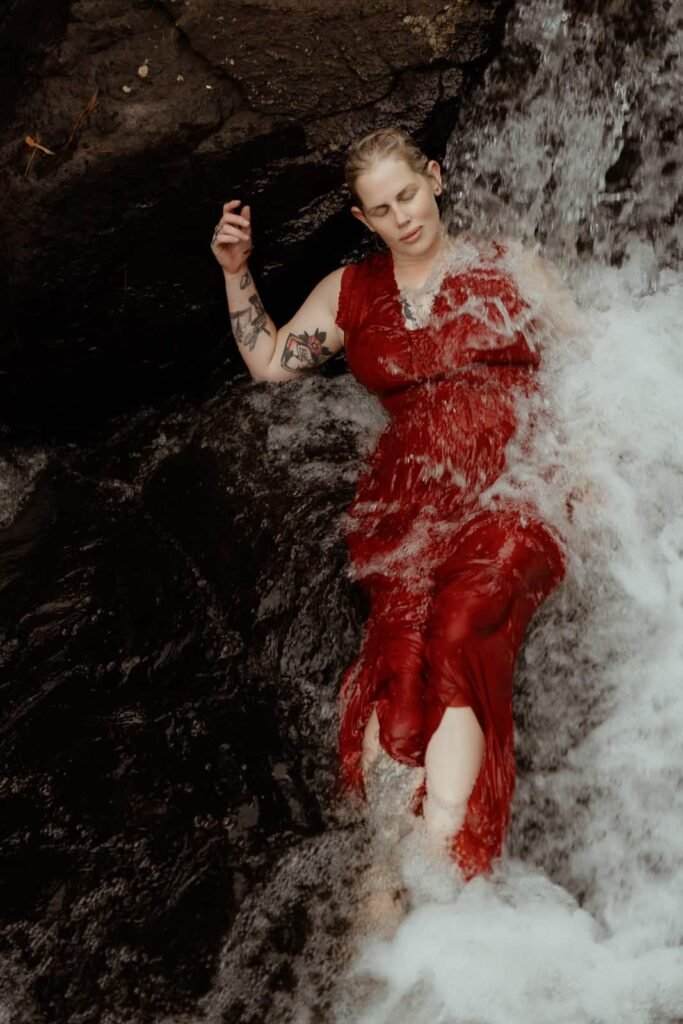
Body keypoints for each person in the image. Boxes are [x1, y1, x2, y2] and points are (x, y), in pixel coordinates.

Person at [210, 127, 572, 887]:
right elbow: (270, 361)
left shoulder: (508, 266)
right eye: (381, 209)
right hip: (406, 506)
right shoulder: (352, 292)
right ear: (362, 218)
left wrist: (591, 466)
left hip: (514, 489)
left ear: (434, 179)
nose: (402, 217)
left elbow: (596, 363)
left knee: (459, 625)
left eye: (407, 195)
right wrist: (236, 272)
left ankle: (441, 856)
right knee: (399, 671)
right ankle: (384, 876)